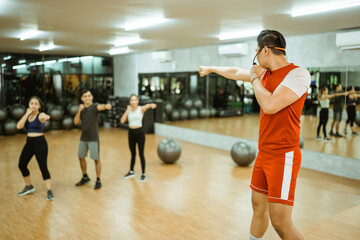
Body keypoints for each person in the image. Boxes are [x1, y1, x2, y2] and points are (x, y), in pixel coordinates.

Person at [199, 30, 311, 240]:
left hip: (283, 155)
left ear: (265, 50)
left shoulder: (298, 74)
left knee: (281, 223)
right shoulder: (265, 74)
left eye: (257, 53)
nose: (256, 59)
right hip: (264, 153)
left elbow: (269, 105)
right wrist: (212, 68)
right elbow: (235, 72)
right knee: (258, 207)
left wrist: (254, 78)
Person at [16, 96, 54, 200]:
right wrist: (27, 113)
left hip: (40, 143)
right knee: (21, 164)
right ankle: (28, 186)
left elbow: (44, 116)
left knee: (43, 167)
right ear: (29, 105)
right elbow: (19, 126)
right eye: (32, 103)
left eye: (36, 104)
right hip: (29, 143)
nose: (34, 105)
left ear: (39, 106)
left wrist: (45, 117)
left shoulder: (40, 115)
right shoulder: (27, 116)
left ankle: (49, 191)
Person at [73, 89, 112, 189]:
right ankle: (85, 176)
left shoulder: (95, 107)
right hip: (83, 138)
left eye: (89, 96)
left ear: (92, 97)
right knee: (80, 156)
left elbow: (101, 107)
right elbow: (76, 122)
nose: (87, 98)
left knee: (96, 159)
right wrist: (79, 111)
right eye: (85, 96)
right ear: (82, 99)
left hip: (93, 138)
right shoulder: (82, 109)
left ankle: (98, 180)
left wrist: (106, 106)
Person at [121, 94, 157, 183]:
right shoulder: (128, 110)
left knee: (141, 154)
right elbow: (122, 121)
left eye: (135, 100)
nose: (133, 102)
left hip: (140, 133)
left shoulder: (141, 109)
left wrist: (151, 105)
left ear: (137, 101)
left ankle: (143, 174)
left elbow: (147, 106)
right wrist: (127, 110)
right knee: (133, 153)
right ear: (130, 102)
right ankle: (131, 171)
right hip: (131, 133)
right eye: (131, 100)